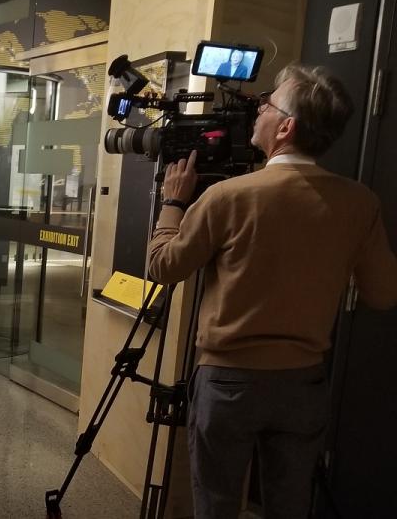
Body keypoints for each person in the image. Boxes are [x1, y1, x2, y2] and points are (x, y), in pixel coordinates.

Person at [148, 64, 397, 518]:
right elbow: (382, 294)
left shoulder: (229, 196)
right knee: (289, 508)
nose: (258, 109)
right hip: (303, 383)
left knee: (217, 505)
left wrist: (173, 202)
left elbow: (163, 267)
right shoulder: (361, 203)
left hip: (228, 383)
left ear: (286, 127)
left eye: (268, 104)